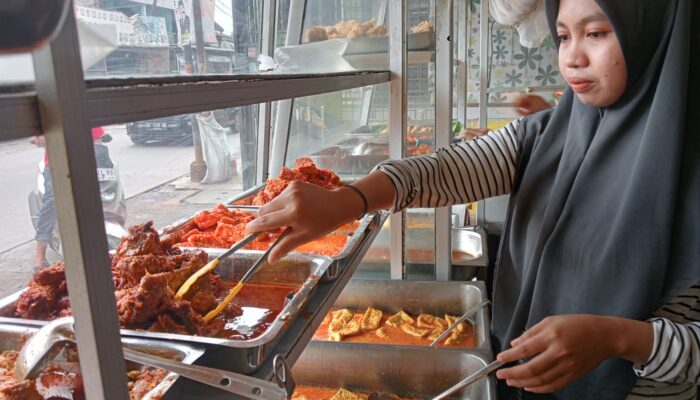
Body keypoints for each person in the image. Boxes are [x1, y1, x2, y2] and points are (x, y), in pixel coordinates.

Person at [245, 0, 699, 398]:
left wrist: (618, 339)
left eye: (596, 33)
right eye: (563, 36)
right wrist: (350, 199)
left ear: (652, 33)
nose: (572, 58)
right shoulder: (550, 134)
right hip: (527, 383)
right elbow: (446, 169)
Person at [34, 127, 106, 270]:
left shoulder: (81, 108)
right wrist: (42, 138)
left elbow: (98, 134)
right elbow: (38, 137)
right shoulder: (50, 111)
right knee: (52, 201)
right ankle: (39, 257)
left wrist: (100, 139)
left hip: (84, 163)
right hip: (56, 164)